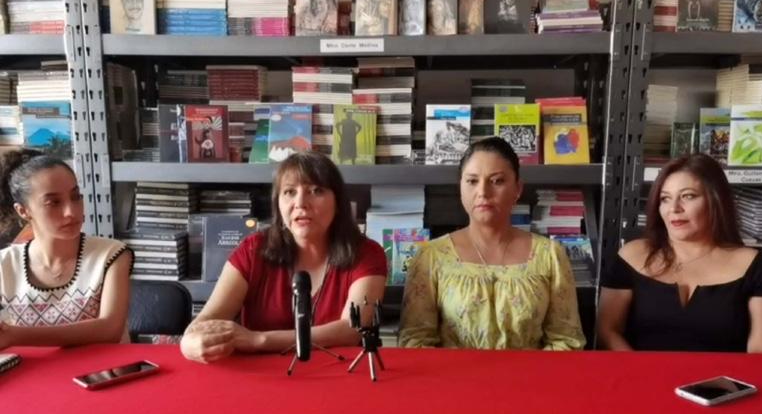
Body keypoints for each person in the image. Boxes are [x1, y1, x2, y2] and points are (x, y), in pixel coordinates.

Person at [180, 152, 386, 363]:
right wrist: (189, 342)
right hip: (260, 374)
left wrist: (258, 340)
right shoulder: (253, 250)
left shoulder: (367, 254)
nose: (301, 203)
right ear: (277, 204)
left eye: (316, 190)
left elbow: (351, 330)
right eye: (289, 192)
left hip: (336, 372)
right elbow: (206, 321)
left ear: (338, 202)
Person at [399, 137, 585, 350]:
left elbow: (566, 340)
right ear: (460, 187)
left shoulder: (549, 255)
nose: (483, 193)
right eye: (472, 181)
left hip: (530, 372)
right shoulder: (431, 256)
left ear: (517, 188)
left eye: (497, 181)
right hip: (453, 372)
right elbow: (415, 341)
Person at [597, 154, 762, 352]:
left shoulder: (755, 266)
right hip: (639, 371)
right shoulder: (630, 256)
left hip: (725, 373)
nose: (674, 208)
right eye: (665, 198)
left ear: (716, 200)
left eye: (688, 196)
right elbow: (607, 331)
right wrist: (642, 370)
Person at [0, 150, 133, 349]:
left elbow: (109, 330)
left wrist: (15, 336)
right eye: (54, 202)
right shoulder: (4, 265)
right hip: (34, 368)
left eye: (75, 197)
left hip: (105, 367)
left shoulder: (111, 254)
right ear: (23, 211)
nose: (71, 211)